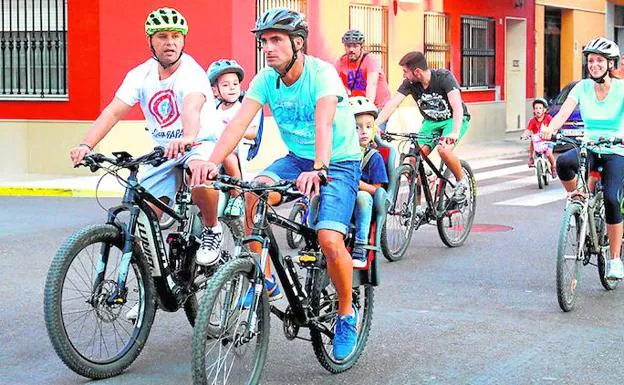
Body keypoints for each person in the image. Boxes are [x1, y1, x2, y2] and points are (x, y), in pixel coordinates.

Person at [190, 7, 363, 361]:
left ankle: (346, 313)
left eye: (276, 40)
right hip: (296, 159)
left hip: (338, 160)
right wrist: (210, 162)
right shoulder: (265, 80)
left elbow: (324, 124)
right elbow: (237, 124)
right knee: (254, 194)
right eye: (264, 41)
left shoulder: (322, 75)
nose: (267, 47)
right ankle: (265, 278)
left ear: (298, 43)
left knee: (330, 240)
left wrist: (320, 167)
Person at [68, 7, 223, 267]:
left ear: (184, 39)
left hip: (199, 143)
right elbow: (112, 112)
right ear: (150, 40)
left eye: (176, 36)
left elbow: (192, 107)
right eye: (162, 36)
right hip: (164, 150)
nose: (170, 42)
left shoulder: (192, 72)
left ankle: (212, 230)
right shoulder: (140, 75)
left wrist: (187, 137)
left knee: (199, 174)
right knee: (143, 227)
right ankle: (149, 294)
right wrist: (86, 144)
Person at [541, 37, 624, 279]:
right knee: (564, 162)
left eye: (600, 60)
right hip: (589, 146)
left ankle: (615, 259)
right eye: (591, 61)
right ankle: (576, 196)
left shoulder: (621, 89)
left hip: (616, 150)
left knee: (610, 199)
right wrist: (550, 128)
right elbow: (564, 112)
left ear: (610, 64)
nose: (594, 65)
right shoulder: (582, 87)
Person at [376, 51, 471, 203]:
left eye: (405, 72)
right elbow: (393, 103)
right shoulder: (410, 83)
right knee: (412, 160)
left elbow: (457, 107)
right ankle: (418, 205)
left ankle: (461, 183)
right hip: (430, 123)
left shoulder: (444, 78)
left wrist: (454, 132)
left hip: (452, 120)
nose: (404, 76)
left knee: (443, 150)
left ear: (417, 72)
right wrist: (376, 125)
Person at [206, 59, 262, 216]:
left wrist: (234, 129)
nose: (232, 88)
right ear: (215, 91)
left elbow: (253, 133)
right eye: (225, 85)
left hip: (238, 149)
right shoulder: (214, 110)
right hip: (215, 149)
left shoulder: (245, 108)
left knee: (227, 157)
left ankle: (237, 195)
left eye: (235, 84)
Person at [349, 96, 388, 268]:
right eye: (357, 127)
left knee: (362, 197)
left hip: (365, 202)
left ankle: (360, 247)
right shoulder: (343, 155)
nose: (363, 131)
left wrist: (358, 185)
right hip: (343, 199)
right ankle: (313, 240)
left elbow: (378, 190)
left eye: (368, 126)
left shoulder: (374, 157)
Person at [335, 29, 391, 109]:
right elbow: (333, 81)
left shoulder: (370, 60)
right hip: (357, 106)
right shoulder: (341, 61)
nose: (351, 49)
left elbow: (372, 84)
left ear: (361, 47)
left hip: (379, 106)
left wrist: (367, 108)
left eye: (355, 46)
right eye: (348, 46)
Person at [522, 97, 555, 176]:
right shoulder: (532, 121)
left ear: (544, 110)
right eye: (536, 108)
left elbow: (554, 126)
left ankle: (553, 166)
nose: (538, 110)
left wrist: (553, 132)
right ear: (534, 110)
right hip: (538, 141)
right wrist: (524, 135)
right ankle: (531, 158)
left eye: (540, 108)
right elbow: (528, 130)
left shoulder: (548, 118)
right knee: (532, 141)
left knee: (548, 153)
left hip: (548, 140)